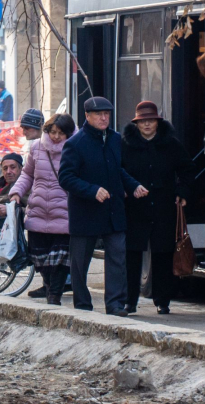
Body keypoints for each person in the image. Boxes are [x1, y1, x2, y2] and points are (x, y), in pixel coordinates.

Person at [58, 96, 148, 317]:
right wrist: (92, 190)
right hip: (85, 212)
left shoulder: (116, 139)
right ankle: (82, 304)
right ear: (87, 116)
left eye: (107, 114)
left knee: (117, 257)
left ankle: (115, 304)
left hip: (113, 210)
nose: (104, 118)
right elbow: (66, 178)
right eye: (99, 114)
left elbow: (118, 170)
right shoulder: (75, 143)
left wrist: (134, 185)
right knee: (80, 262)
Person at [121, 101, 195, 315]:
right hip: (135, 207)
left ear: (157, 122)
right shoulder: (126, 145)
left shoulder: (170, 143)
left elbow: (187, 169)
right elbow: (118, 171)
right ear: (136, 123)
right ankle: (130, 301)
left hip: (163, 206)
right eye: (142, 121)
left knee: (163, 254)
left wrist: (182, 192)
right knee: (132, 255)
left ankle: (163, 300)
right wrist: (128, 188)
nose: (146, 124)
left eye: (150, 120)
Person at [7, 113, 75, 305]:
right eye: (52, 132)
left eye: (60, 133)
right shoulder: (37, 148)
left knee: (60, 261)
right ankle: (49, 289)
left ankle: (54, 297)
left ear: (68, 134)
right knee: (41, 260)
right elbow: (27, 175)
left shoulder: (75, 149)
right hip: (38, 212)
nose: (55, 136)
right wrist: (16, 192)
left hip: (64, 213)